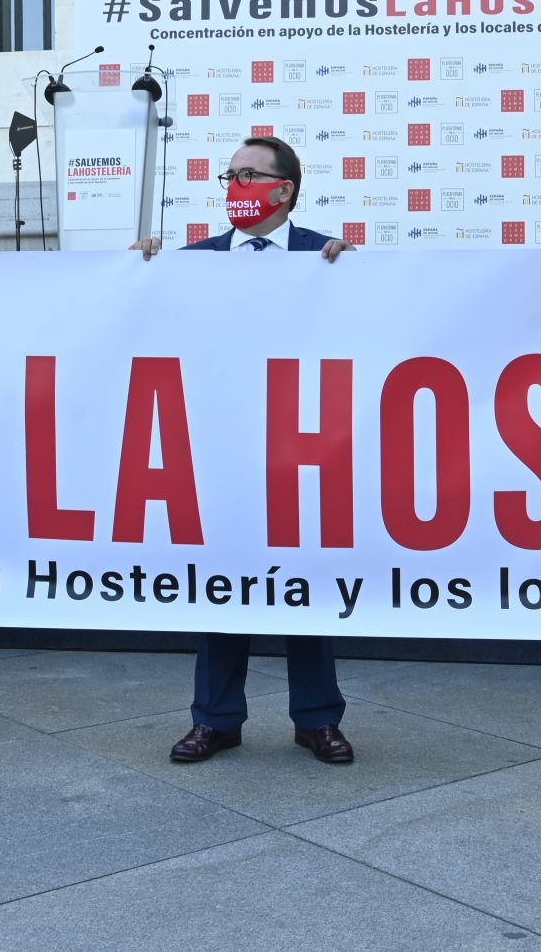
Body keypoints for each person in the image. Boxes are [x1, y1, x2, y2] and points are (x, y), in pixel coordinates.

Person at [133, 135, 356, 765]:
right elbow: (146, 324)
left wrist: (358, 274)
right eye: (230, 175)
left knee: (304, 585)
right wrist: (139, 270)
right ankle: (215, 720)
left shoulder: (327, 257)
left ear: (284, 189)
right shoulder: (190, 262)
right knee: (221, 583)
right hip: (219, 450)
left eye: (249, 176)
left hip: (302, 448)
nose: (236, 186)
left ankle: (317, 720)